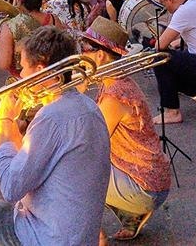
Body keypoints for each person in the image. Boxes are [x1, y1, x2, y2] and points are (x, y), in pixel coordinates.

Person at [0, 26, 110, 246]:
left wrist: (4, 120)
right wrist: (14, 131)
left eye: (24, 67)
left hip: (42, 237)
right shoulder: (88, 107)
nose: (21, 75)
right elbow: (29, 171)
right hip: (76, 236)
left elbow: (11, 188)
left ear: (41, 69)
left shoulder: (52, 117)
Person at [78, 18, 171, 242]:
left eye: (84, 49)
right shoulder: (114, 81)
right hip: (147, 178)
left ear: (100, 55)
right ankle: (131, 215)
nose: (80, 56)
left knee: (71, 172)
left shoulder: (115, 94)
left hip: (145, 186)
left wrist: (75, 95)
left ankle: (94, 236)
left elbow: (89, 142)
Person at [0, 0, 62, 77]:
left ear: (19, 0)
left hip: (24, 82)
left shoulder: (9, 26)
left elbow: (3, 63)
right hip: (52, 78)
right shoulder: (54, 19)